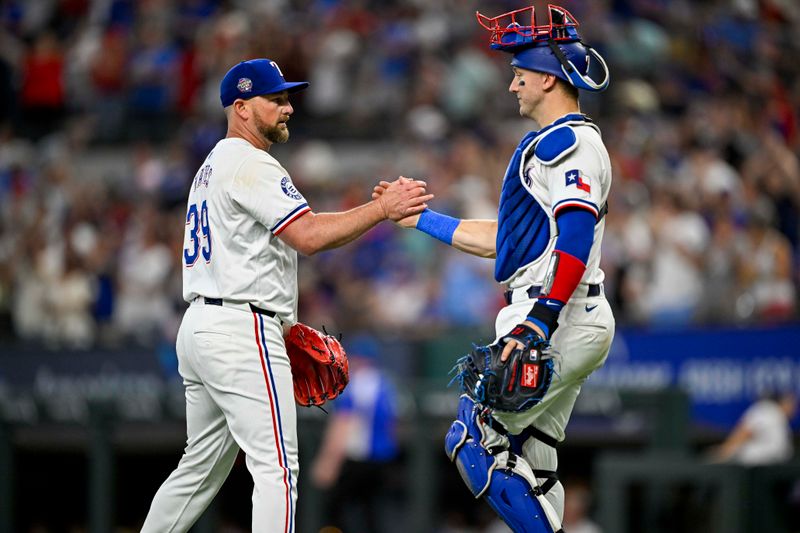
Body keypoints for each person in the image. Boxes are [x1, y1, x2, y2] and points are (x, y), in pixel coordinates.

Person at [141, 58, 432, 533]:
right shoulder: (251, 162)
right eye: (274, 99)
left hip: (202, 326)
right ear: (240, 107)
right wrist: (382, 207)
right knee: (277, 467)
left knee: (198, 470)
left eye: (287, 97)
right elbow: (311, 235)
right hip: (241, 327)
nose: (287, 108)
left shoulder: (212, 165)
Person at [374, 5, 614, 531]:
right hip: (567, 308)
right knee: (538, 463)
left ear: (548, 78)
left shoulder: (565, 142)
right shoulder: (558, 142)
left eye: (519, 73)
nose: (512, 85)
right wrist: (421, 220)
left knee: (473, 438)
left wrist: (540, 320)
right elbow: (504, 242)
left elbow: (575, 235)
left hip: (557, 312)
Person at [310, 334, 401, 533]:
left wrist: (327, 463)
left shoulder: (356, 384)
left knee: (335, 510)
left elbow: (342, 425)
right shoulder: (386, 384)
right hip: (384, 461)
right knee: (374, 515)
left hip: (358, 461)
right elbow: (393, 427)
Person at [709, 391, 796, 466]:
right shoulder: (766, 410)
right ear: (781, 402)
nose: (793, 408)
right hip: (754, 467)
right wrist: (724, 452)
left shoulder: (779, 417)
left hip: (770, 468)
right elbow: (743, 433)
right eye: (790, 404)